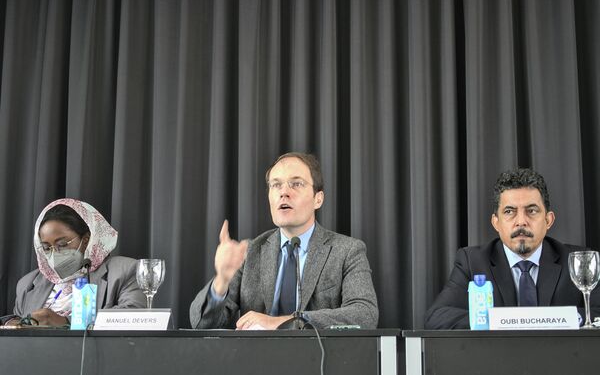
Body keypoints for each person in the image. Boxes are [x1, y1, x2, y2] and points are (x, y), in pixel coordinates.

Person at [190, 152, 378, 330]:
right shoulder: (251, 252)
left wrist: (285, 321)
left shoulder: (347, 251)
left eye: (296, 184)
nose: (284, 193)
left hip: (320, 361)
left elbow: (365, 315)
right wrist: (221, 280)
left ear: (318, 199)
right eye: (276, 185)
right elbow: (201, 324)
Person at [425, 168, 600, 329]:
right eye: (509, 211)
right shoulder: (472, 262)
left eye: (531, 211)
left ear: (548, 220)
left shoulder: (578, 261)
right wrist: (501, 320)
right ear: (496, 222)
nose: (521, 221)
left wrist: (564, 319)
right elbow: (437, 317)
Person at [1, 198, 145, 327]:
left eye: (62, 244)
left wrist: (66, 322)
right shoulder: (28, 283)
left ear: (87, 239)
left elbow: (134, 318)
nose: (54, 254)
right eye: (46, 248)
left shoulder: (125, 271)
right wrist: (11, 323)